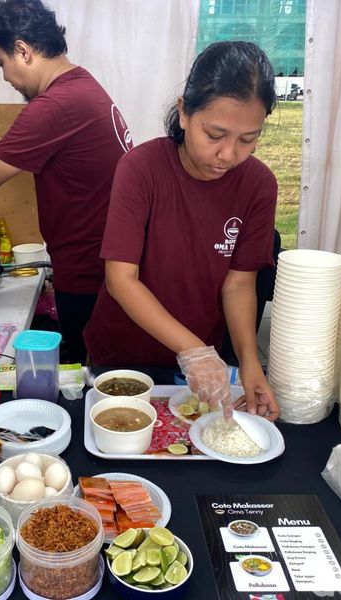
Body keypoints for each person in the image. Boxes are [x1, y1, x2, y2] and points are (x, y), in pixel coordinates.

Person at [83, 41, 280, 421]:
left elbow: (239, 284)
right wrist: (193, 350)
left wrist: (249, 361)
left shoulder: (258, 185)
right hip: (122, 356)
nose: (228, 154)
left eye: (247, 139)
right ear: (184, 112)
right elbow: (122, 279)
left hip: (197, 366)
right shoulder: (141, 170)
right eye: (215, 134)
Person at [0, 0, 133, 363]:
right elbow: (5, 147)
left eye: (2, 63)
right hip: (100, 265)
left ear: (22, 50)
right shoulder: (79, 85)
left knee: (85, 374)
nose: (4, 76)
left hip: (89, 275)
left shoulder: (56, 105)